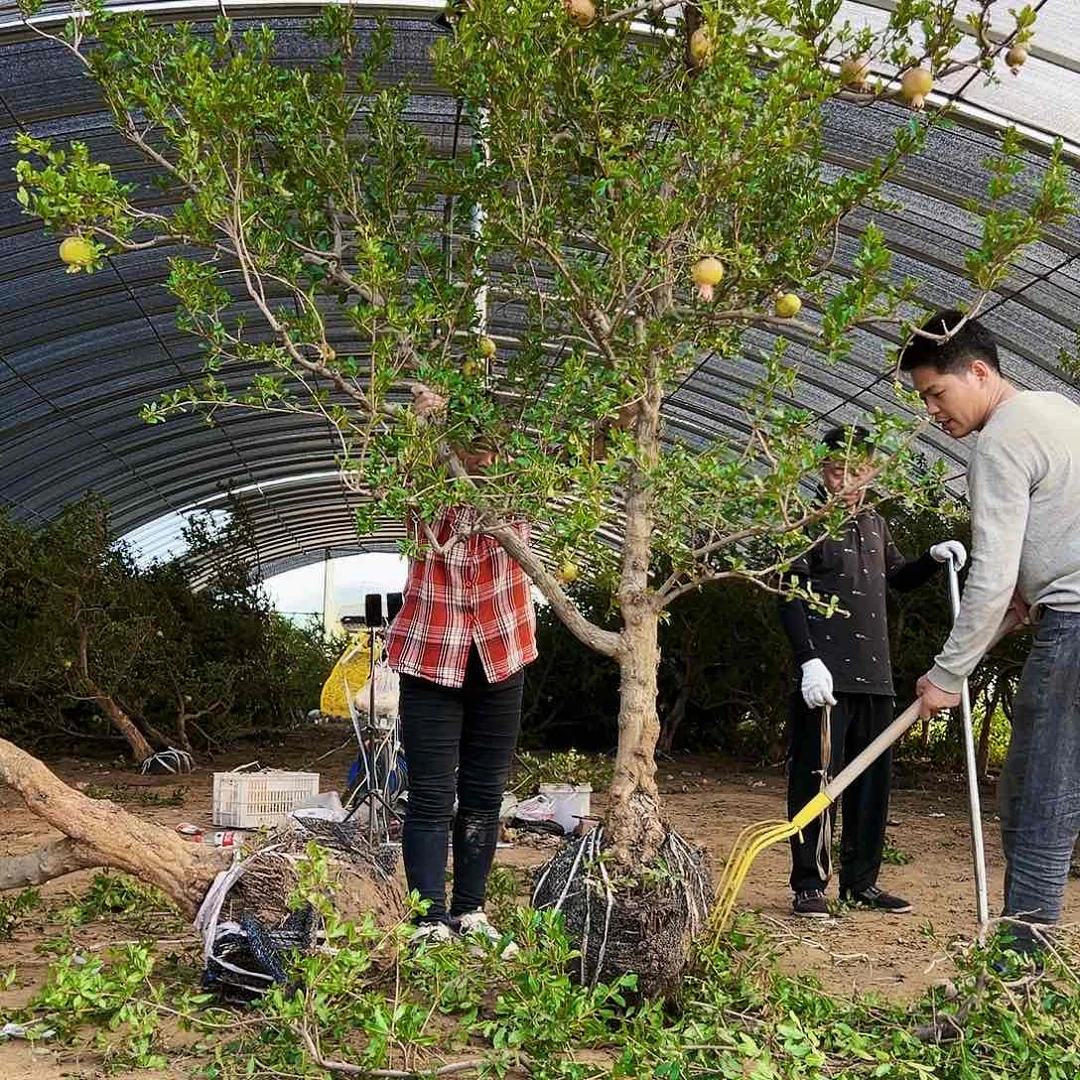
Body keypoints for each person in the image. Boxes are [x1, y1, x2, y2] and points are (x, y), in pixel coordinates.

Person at [903, 309, 1080, 958]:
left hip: (1075, 630)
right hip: (1063, 610)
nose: (933, 413)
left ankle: (1016, 981)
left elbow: (988, 576)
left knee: (1038, 803)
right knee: (1034, 792)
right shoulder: (1058, 411)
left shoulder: (1002, 440)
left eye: (936, 393)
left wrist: (947, 674)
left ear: (978, 371)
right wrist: (1028, 593)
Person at [779, 425, 966, 918]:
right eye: (839, 471)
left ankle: (861, 882)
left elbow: (899, 579)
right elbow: (789, 593)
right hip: (826, 680)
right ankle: (809, 883)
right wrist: (807, 660)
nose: (849, 481)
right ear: (824, 471)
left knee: (871, 784)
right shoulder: (805, 520)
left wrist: (931, 557)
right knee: (818, 777)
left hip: (874, 677)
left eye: (859, 471)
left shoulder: (875, 523)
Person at [384, 385, 537, 953]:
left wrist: (618, 412)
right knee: (429, 793)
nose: (483, 456)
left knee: (484, 794)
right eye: (472, 443)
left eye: (491, 444)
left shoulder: (520, 492)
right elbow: (390, 481)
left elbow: (585, 461)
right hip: (431, 659)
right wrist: (417, 426)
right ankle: (427, 916)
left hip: (501, 656)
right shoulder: (424, 493)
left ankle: (471, 911)